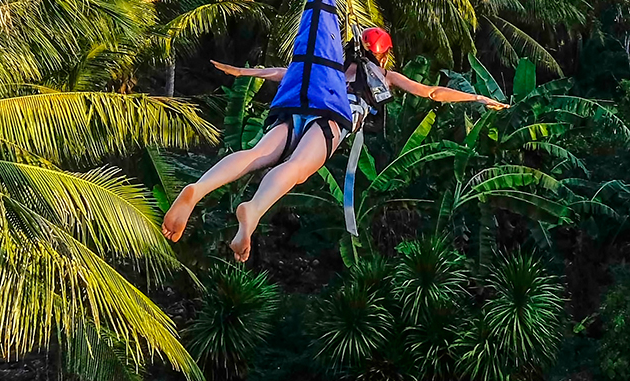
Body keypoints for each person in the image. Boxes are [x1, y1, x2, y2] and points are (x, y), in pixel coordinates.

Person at [162, 27, 507, 260]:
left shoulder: (332, 68)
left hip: (297, 110)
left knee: (256, 154)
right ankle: (253, 210)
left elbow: (279, 72)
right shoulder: (384, 76)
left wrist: (242, 73)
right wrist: (476, 96)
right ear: (382, 56)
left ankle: (199, 187)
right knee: (295, 168)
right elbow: (433, 92)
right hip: (331, 122)